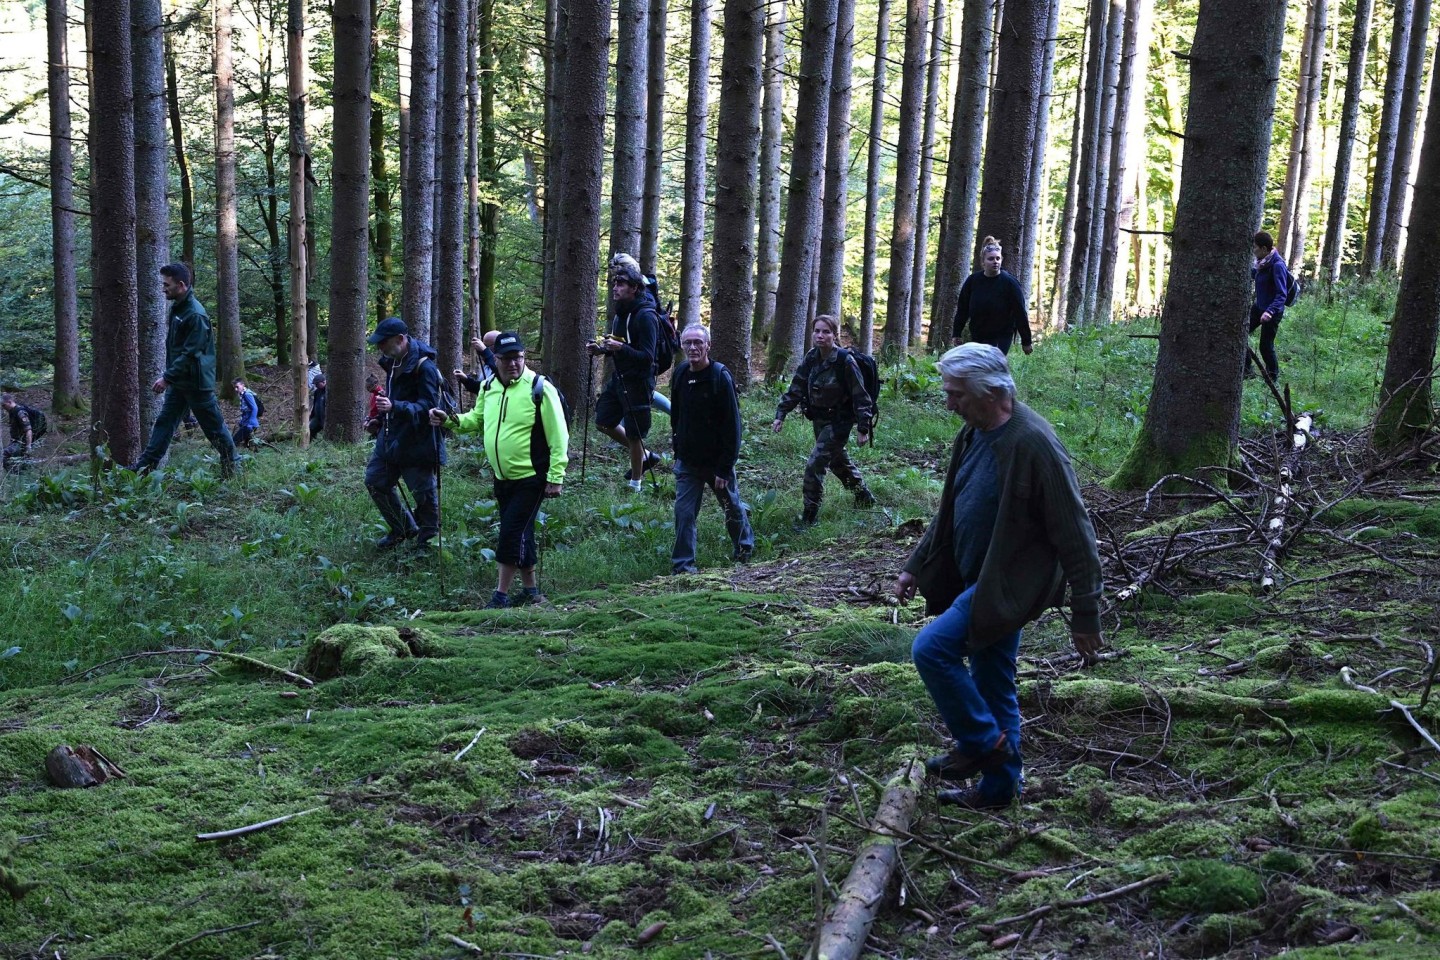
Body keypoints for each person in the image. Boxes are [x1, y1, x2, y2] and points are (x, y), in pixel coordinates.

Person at [893, 344, 1103, 810]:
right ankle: (1000, 788)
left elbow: (1077, 533)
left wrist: (1086, 613)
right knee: (992, 681)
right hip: (975, 578)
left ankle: (983, 745)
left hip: (1006, 587)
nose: (950, 404)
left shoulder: (1034, 444)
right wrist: (916, 564)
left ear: (991, 393)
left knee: (931, 649)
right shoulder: (971, 434)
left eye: (957, 395)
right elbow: (950, 508)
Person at [430, 331, 569, 608]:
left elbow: (559, 436)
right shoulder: (488, 386)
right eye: (506, 358)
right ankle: (531, 593)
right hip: (502, 478)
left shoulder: (540, 388)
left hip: (532, 477)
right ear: (497, 359)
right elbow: (476, 419)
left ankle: (500, 596)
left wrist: (555, 477)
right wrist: (450, 420)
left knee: (511, 533)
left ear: (524, 357)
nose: (513, 363)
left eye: (518, 357)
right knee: (522, 532)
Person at [128, 264, 239, 477]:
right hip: (180, 382)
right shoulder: (178, 309)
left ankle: (233, 467)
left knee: (213, 428)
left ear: (181, 285)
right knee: (164, 424)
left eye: (166, 285)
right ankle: (142, 470)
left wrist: (167, 378)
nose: (163, 289)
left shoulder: (195, 315)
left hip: (196, 383)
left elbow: (190, 353)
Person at [772, 314, 875, 525]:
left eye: (826, 332)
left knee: (815, 464)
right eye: (817, 331)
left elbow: (861, 396)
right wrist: (781, 414)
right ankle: (863, 496)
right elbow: (797, 387)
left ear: (834, 335)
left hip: (839, 422)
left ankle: (810, 515)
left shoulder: (845, 361)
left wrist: (863, 427)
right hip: (819, 421)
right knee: (838, 463)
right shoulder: (812, 357)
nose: (820, 336)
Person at [669, 324, 753, 573]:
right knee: (683, 513)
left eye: (698, 342)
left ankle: (744, 547)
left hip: (717, 462)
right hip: (688, 462)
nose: (692, 347)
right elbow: (677, 415)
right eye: (688, 343)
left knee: (731, 505)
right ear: (682, 346)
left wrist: (725, 467)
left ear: (708, 345)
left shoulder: (720, 376)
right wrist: (677, 451)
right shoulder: (681, 373)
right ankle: (683, 567)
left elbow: (732, 426)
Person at [366, 316, 447, 550]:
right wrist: (378, 419)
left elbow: (430, 408)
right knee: (375, 481)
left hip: (418, 441)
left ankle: (427, 543)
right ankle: (403, 528)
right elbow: (390, 400)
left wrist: (395, 407)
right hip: (390, 438)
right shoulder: (392, 362)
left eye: (383, 342)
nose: (380, 347)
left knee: (423, 495)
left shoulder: (425, 367)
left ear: (401, 339)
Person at [591, 260, 660, 492]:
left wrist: (620, 349)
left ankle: (635, 485)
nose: (615, 287)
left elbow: (648, 356)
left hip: (639, 381)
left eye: (621, 283)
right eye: (614, 283)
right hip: (620, 378)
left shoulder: (646, 316)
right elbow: (620, 343)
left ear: (635, 288)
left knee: (634, 433)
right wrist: (602, 349)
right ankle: (646, 455)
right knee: (603, 421)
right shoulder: (621, 313)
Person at [608, 252, 671, 418]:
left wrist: (622, 347)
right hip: (629, 362)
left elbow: (645, 346)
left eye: (620, 276)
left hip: (641, 364)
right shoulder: (627, 297)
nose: (616, 283)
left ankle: (676, 413)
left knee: (641, 400)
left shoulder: (644, 298)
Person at [952, 236, 1032, 356]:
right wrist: (956, 333)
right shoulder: (973, 281)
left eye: (998, 258)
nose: (995, 261)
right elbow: (963, 309)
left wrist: (1026, 341)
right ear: (983, 262)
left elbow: (1020, 312)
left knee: (992, 362)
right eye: (991, 259)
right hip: (978, 334)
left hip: (1001, 335)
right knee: (980, 365)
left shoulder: (1010, 283)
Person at [1248, 230, 1291, 382]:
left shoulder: (1277, 265)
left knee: (1265, 346)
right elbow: (1255, 274)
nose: (1253, 251)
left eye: (1255, 248)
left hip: (1272, 312)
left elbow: (1282, 295)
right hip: (1259, 307)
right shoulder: (1262, 264)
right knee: (1241, 333)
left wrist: (1270, 312)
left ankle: (1273, 378)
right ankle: (1248, 371)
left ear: (1264, 249)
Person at [2, 394, 35, 471]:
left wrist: (28, 446)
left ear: (9, 402)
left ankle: (14, 474)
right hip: (15, 442)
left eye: (4, 405)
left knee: (3, 454)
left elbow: (28, 430)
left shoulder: (20, 412)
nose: (3, 407)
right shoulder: (12, 412)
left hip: (21, 443)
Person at [232, 379, 260, 448]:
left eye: (237, 387)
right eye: (234, 387)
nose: (236, 389)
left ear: (243, 385)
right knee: (249, 444)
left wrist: (251, 423)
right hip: (246, 423)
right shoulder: (243, 394)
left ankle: (229, 456)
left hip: (249, 425)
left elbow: (255, 408)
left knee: (234, 441)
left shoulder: (247, 394)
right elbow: (245, 411)